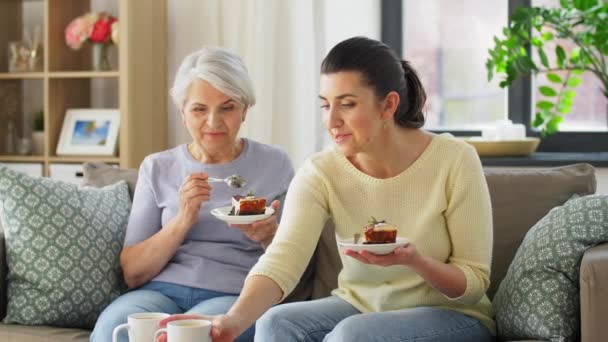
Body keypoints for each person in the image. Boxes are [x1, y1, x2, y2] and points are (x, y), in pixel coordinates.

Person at [159, 36, 495, 342]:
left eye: (347, 104)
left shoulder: (454, 160)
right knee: (276, 323)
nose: (331, 120)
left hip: (453, 317)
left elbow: (473, 283)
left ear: (388, 105)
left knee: (351, 336)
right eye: (325, 104)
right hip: (359, 306)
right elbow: (282, 259)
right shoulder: (322, 171)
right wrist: (232, 321)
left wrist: (416, 261)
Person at [90, 46, 294, 342]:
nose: (213, 122)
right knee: (114, 329)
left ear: (244, 110)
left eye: (227, 107)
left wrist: (267, 236)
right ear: (183, 113)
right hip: (157, 293)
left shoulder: (275, 164)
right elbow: (132, 272)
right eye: (200, 109)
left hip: (234, 296)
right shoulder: (158, 167)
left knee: (198, 336)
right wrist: (183, 218)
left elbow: (295, 265)